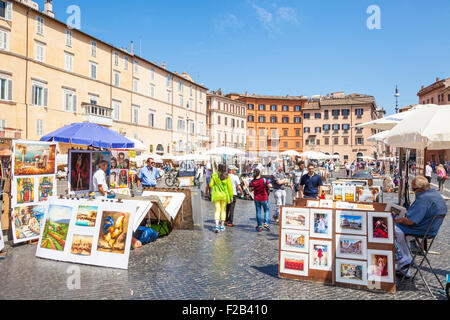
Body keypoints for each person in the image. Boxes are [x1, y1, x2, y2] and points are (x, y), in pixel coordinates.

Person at [394, 176, 447, 278]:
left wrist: (396, 220)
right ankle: (403, 266)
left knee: (391, 229)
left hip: (420, 229)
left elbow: (410, 221)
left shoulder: (423, 198)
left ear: (421, 188)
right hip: (430, 229)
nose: (413, 192)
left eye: (414, 189)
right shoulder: (436, 195)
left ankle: (404, 260)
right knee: (402, 235)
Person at [209, 164, 233, 233]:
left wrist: (213, 180)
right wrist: (231, 196)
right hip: (224, 196)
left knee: (217, 210)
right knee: (223, 210)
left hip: (216, 195)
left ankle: (216, 226)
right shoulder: (227, 176)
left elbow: (210, 185)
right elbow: (230, 188)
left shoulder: (214, 175)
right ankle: (222, 226)